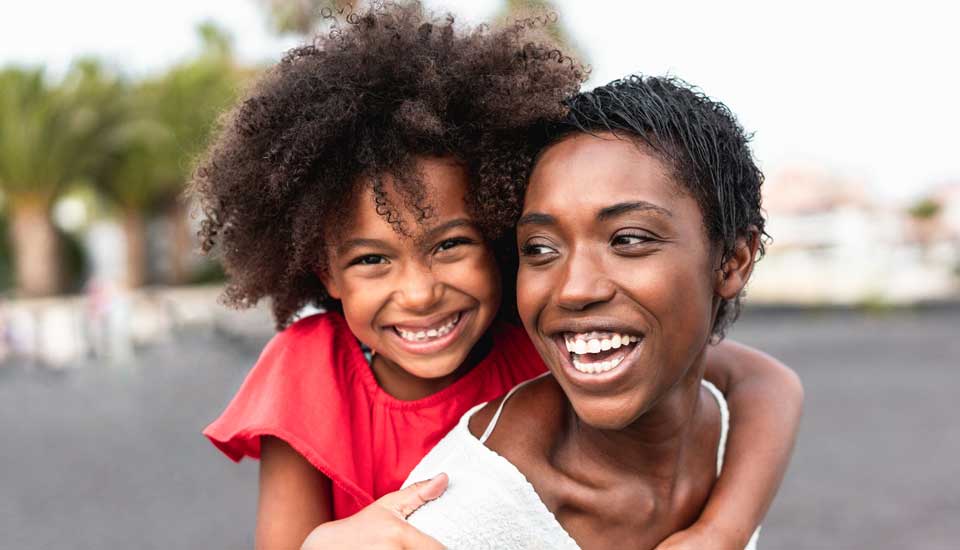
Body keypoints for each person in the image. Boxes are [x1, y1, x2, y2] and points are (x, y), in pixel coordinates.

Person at [192, 4, 802, 549]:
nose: (419, 292)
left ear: (496, 237)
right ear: (324, 270)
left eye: (451, 245)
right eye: (372, 259)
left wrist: (720, 530)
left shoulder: (537, 332)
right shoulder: (312, 369)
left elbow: (764, 382)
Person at [403, 75, 801, 549]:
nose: (574, 290)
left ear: (733, 261)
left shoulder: (727, 430)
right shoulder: (462, 515)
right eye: (540, 248)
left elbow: (770, 380)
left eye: (628, 239)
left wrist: (720, 533)